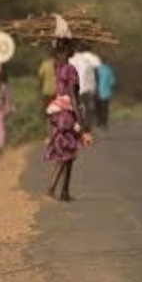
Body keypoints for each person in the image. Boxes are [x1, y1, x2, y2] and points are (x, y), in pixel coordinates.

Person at [44, 39, 92, 202]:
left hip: (58, 115)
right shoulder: (70, 69)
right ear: (68, 49)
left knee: (69, 154)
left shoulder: (58, 67)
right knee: (66, 154)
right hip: (67, 115)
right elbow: (72, 96)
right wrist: (82, 122)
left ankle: (65, 192)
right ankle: (51, 189)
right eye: (72, 47)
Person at [69, 42, 102, 131]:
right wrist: (95, 87)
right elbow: (94, 75)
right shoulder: (88, 61)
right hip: (86, 89)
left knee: (74, 107)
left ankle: (77, 125)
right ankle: (86, 126)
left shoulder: (70, 60)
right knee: (87, 108)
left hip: (73, 88)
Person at [95, 56, 116, 130]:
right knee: (105, 109)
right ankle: (104, 123)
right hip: (106, 93)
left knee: (98, 109)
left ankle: (99, 123)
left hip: (97, 92)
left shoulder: (97, 70)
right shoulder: (109, 70)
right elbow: (112, 82)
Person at [37, 52, 57, 118]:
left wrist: (40, 86)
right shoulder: (59, 64)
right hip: (57, 90)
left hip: (47, 89)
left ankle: (46, 118)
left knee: (46, 107)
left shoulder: (45, 64)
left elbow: (40, 76)